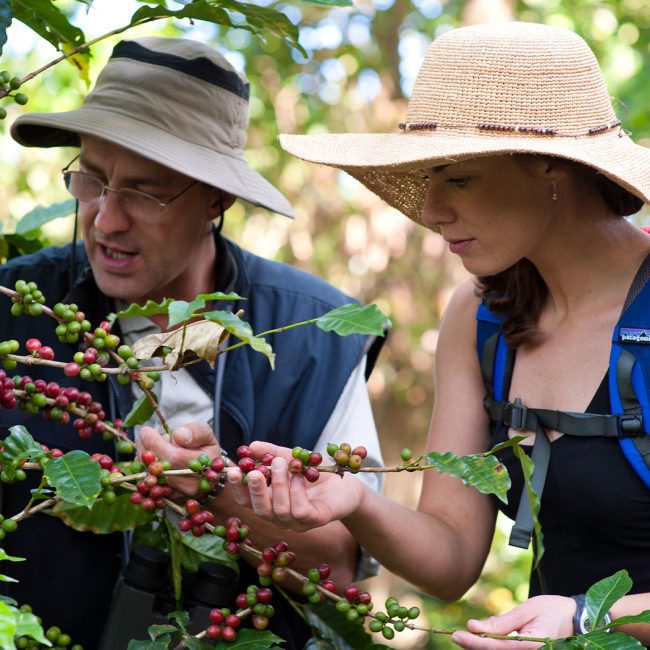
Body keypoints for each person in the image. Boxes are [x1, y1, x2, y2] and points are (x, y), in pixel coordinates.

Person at [227, 21, 650, 648]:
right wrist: (357, 504)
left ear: (551, 169)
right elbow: (451, 559)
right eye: (426, 181)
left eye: (456, 177)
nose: (429, 211)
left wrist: (591, 619)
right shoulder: (484, 316)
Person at [2, 37, 384, 648]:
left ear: (218, 197)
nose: (105, 220)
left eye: (146, 192)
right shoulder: (17, 310)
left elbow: (337, 569)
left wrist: (224, 498)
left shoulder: (313, 334)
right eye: (92, 181)